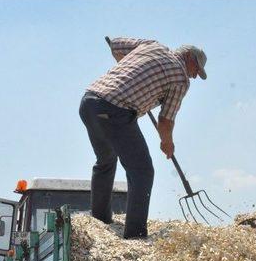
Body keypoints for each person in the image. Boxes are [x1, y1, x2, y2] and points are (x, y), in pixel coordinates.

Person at [79, 37, 207, 238]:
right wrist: (167, 143)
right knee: (143, 171)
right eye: (196, 70)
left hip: (89, 102)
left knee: (105, 161)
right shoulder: (180, 78)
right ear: (189, 57)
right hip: (116, 110)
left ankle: (100, 220)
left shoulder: (152, 45)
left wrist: (133, 72)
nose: (194, 76)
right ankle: (135, 235)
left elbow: (115, 46)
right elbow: (165, 120)